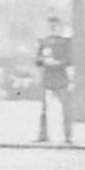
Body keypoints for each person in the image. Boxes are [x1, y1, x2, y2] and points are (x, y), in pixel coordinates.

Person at [34, 15, 73, 144]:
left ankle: (67, 135)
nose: (53, 28)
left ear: (59, 27)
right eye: (51, 26)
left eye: (55, 26)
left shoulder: (65, 42)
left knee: (65, 107)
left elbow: (69, 60)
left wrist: (55, 63)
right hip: (47, 78)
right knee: (44, 108)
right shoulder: (43, 41)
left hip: (61, 78)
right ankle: (43, 134)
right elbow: (37, 60)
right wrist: (43, 61)